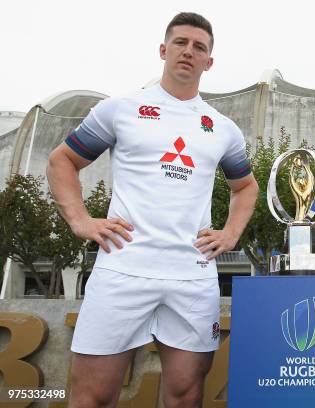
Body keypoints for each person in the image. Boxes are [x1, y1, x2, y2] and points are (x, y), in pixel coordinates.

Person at [47, 12, 258, 408]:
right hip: (123, 267)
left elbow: (245, 187)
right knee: (92, 395)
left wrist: (230, 234)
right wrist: (79, 219)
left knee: (185, 396)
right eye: (180, 42)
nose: (188, 52)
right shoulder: (121, 109)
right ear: (163, 49)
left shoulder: (222, 127)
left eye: (200, 47)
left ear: (209, 62)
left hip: (191, 274)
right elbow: (62, 161)